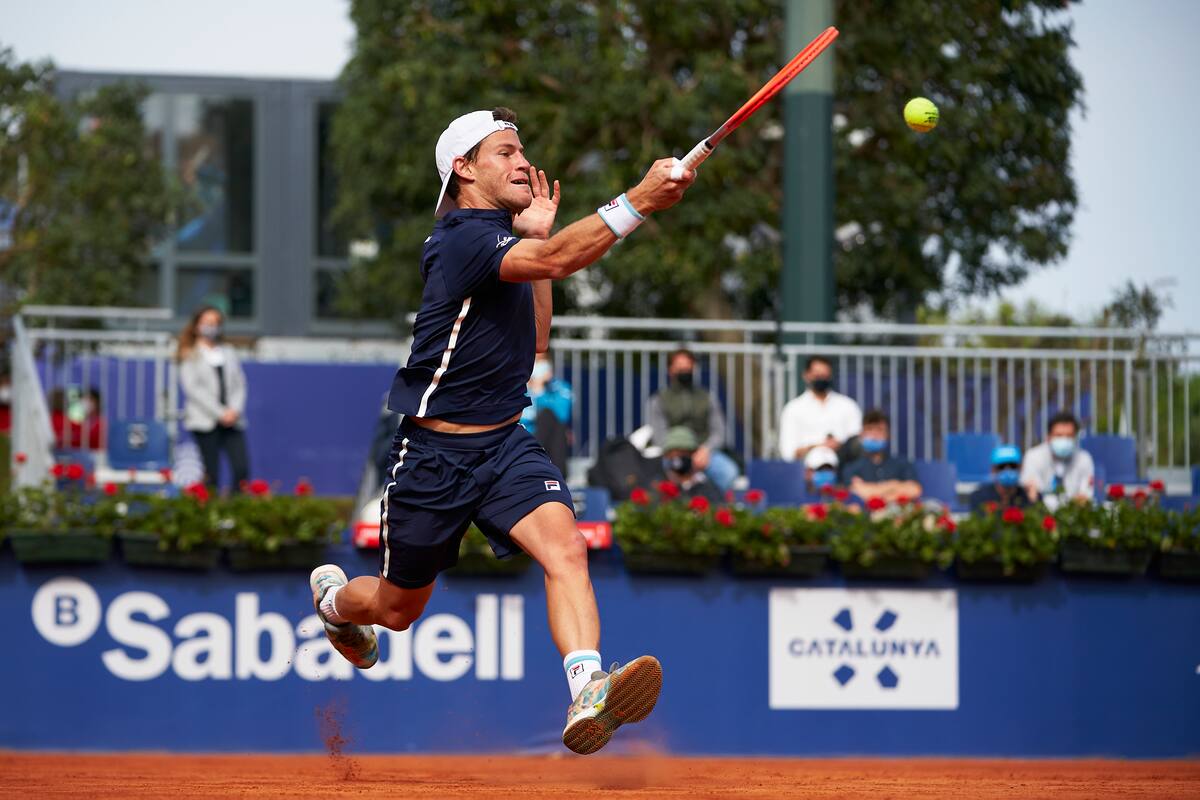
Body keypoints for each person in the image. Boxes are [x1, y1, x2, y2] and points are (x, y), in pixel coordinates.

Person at [307, 107, 695, 756]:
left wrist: (539, 243)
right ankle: (334, 605)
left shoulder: (507, 244)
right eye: (505, 152)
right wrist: (638, 201)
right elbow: (562, 259)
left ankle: (587, 690)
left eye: (523, 150)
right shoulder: (462, 239)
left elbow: (538, 334)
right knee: (398, 611)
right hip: (432, 454)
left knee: (566, 550)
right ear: (464, 169)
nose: (523, 162)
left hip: (504, 443)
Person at [644, 347, 739, 491]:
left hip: (703, 453)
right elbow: (659, 436)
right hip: (671, 453)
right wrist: (680, 455)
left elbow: (719, 432)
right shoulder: (658, 400)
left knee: (728, 472)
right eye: (679, 367)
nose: (684, 371)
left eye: (687, 367)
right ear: (670, 370)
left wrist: (706, 450)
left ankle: (711, 506)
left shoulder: (707, 397)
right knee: (653, 476)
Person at [177, 306, 250, 491]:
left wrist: (234, 410)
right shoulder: (189, 353)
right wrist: (220, 412)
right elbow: (193, 389)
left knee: (241, 468)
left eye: (215, 323)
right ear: (196, 326)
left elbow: (239, 384)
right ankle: (210, 513)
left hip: (232, 420)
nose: (211, 327)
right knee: (212, 473)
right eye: (206, 323)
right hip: (205, 420)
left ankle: (236, 510)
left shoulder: (228, 352)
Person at [778, 355, 863, 462]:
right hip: (806, 470)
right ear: (806, 375)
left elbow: (857, 443)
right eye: (817, 375)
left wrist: (839, 446)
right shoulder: (793, 409)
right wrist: (818, 447)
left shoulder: (848, 406)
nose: (821, 379)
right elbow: (788, 452)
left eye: (825, 375)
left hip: (843, 468)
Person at [842, 409, 922, 503]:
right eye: (870, 429)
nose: (875, 435)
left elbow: (914, 490)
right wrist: (895, 485)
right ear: (862, 434)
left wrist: (873, 491)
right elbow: (861, 493)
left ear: (887, 435)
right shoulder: (851, 467)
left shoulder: (902, 463)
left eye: (879, 430)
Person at [1020, 410, 1095, 506]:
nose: (1064, 440)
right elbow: (1033, 495)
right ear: (1048, 437)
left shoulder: (1084, 459)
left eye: (1069, 436)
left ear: (1075, 438)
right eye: (1059, 435)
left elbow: (1085, 497)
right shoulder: (1033, 457)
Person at [519, 351, 573, 475]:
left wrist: (540, 392)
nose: (538, 365)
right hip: (522, 435)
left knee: (549, 416)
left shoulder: (560, 387)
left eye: (541, 361)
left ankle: (557, 477)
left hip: (546, 440)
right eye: (535, 360)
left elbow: (562, 416)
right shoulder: (518, 385)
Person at [655, 426, 723, 504]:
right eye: (674, 454)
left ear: (694, 455)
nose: (678, 459)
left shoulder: (707, 488)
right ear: (666, 456)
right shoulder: (659, 488)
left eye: (684, 453)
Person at [969, 444, 1034, 512]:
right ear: (993, 470)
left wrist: (1032, 501)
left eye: (1013, 466)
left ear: (1020, 468)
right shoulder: (979, 497)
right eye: (1001, 467)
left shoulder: (1029, 495)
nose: (1007, 470)